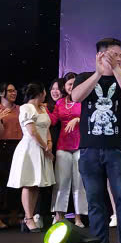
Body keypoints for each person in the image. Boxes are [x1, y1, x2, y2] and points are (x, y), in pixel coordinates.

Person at [71, 38, 121, 243]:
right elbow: (76, 97)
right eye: (114, 55)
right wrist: (98, 73)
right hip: (90, 150)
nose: (120, 59)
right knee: (95, 201)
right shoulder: (84, 77)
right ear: (100, 56)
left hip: (118, 149)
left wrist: (116, 69)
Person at [7, 82, 55, 233]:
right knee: (28, 184)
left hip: (42, 148)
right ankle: (28, 218)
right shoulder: (26, 108)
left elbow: (46, 128)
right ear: (40, 93)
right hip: (30, 148)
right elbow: (32, 132)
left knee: (36, 184)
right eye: (45, 91)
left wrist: (49, 142)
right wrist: (45, 148)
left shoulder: (42, 108)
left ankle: (31, 216)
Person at [51, 73, 87, 227]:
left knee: (79, 183)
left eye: (74, 83)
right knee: (61, 182)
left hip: (80, 145)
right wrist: (40, 109)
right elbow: (53, 121)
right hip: (63, 146)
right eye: (69, 84)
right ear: (64, 87)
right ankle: (59, 216)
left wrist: (78, 119)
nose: (71, 87)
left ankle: (78, 218)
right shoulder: (60, 103)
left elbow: (92, 118)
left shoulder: (84, 100)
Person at [0, 82, 22, 229]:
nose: (13, 93)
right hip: (1, 146)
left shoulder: (20, 109)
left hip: (18, 145)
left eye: (14, 90)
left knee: (16, 181)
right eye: (10, 91)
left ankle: (14, 216)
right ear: (1, 93)